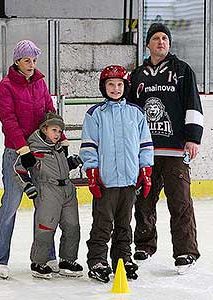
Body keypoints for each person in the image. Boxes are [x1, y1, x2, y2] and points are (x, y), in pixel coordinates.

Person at [0, 40, 68, 279]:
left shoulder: (40, 83)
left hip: (42, 152)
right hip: (17, 154)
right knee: (11, 204)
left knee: (45, 205)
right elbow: (9, 121)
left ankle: (45, 255)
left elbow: (49, 112)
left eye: (34, 60)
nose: (31, 65)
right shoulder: (5, 87)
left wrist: (60, 138)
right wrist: (23, 149)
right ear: (17, 61)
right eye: (26, 60)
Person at [127, 23, 204, 275]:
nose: (161, 42)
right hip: (146, 150)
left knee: (180, 202)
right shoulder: (136, 75)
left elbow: (193, 104)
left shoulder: (182, 71)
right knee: (144, 201)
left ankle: (186, 251)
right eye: (156, 38)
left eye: (165, 38)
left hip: (174, 151)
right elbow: (129, 112)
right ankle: (144, 244)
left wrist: (193, 138)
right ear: (148, 44)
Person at [80, 65, 154, 283]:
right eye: (110, 84)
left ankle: (122, 259)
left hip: (129, 180)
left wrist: (145, 170)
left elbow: (145, 144)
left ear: (126, 86)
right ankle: (97, 260)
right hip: (106, 180)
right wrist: (92, 171)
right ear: (104, 87)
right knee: (102, 223)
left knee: (124, 223)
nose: (115, 88)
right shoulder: (95, 114)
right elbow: (88, 145)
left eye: (119, 84)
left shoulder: (136, 113)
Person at [14, 112, 83, 279]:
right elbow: (18, 170)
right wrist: (28, 185)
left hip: (67, 190)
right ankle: (38, 262)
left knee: (72, 226)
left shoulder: (59, 148)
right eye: (54, 130)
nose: (57, 134)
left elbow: (58, 167)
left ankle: (67, 260)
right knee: (46, 227)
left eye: (60, 131)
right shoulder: (33, 151)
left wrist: (70, 163)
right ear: (44, 129)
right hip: (47, 191)